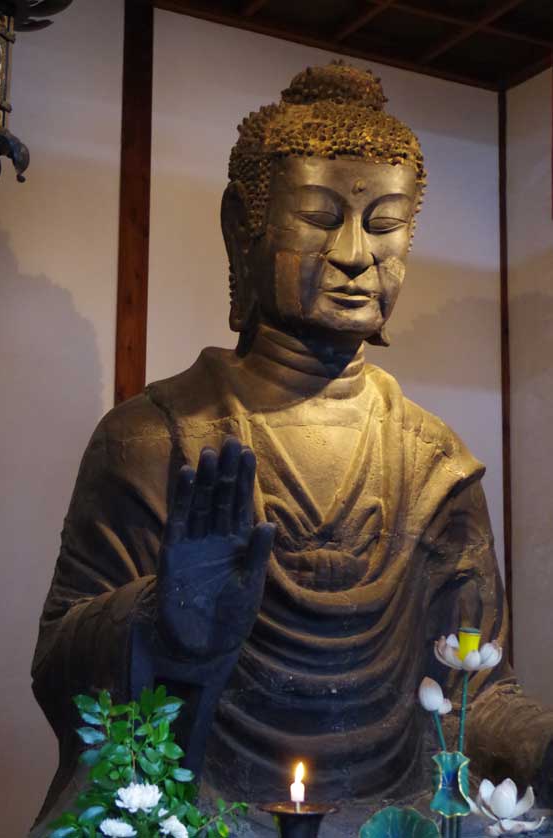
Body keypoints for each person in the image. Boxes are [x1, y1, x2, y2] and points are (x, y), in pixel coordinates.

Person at [31, 63, 553, 828]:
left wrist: (539, 744)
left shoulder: (435, 463)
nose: (352, 253)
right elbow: (58, 668)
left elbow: (473, 692)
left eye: (383, 224)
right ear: (241, 227)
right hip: (199, 801)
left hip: (388, 811)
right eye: (317, 215)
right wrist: (162, 619)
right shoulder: (152, 437)